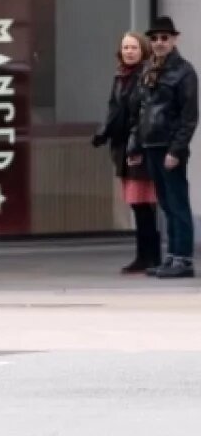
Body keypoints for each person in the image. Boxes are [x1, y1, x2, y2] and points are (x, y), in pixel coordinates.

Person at [127, 15, 198, 279]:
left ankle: (183, 259)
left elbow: (189, 117)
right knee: (166, 204)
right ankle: (172, 256)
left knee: (177, 203)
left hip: (169, 146)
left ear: (174, 40)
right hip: (151, 144)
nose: (159, 42)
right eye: (155, 38)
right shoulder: (148, 70)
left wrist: (176, 150)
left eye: (164, 38)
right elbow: (140, 110)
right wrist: (136, 146)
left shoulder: (184, 72)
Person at [92, 32, 159, 274]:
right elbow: (114, 109)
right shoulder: (120, 77)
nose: (129, 51)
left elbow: (144, 115)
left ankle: (150, 256)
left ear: (143, 50)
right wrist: (103, 132)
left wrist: (136, 146)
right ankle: (144, 256)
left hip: (137, 147)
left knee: (143, 204)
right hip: (122, 146)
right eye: (125, 47)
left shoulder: (146, 76)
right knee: (136, 204)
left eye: (133, 47)